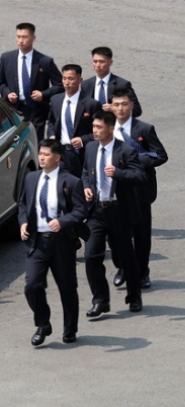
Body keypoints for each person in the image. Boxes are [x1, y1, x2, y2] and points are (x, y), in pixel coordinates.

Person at [18, 138, 88, 345]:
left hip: (61, 243)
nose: (41, 158)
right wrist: (23, 223)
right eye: (40, 153)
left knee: (67, 287)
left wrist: (63, 222)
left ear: (57, 158)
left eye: (46, 155)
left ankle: (70, 329)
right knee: (32, 285)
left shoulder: (71, 182)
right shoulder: (31, 178)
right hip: (37, 242)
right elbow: (22, 205)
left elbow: (81, 210)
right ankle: (43, 324)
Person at [82, 111, 147, 317]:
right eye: (93, 127)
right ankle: (100, 300)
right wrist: (86, 187)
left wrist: (118, 173)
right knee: (91, 256)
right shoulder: (91, 148)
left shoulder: (126, 151)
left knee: (126, 256)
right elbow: (86, 171)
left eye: (98, 127)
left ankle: (134, 297)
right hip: (97, 211)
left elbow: (140, 176)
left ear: (110, 129)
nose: (94, 131)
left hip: (120, 211)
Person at [109, 89, 168, 289]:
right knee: (116, 234)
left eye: (124, 104)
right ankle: (123, 266)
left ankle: (142, 272)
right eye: (116, 104)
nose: (120, 108)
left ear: (131, 106)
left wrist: (134, 160)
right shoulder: (105, 129)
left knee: (141, 234)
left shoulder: (144, 129)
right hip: (114, 189)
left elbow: (160, 155)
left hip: (140, 189)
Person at [0, 22, 63, 142]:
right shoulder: (6, 58)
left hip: (36, 110)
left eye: (24, 37)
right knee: (16, 141)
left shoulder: (44, 61)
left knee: (35, 141)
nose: (20, 40)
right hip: (14, 109)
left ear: (33, 38)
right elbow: (1, 83)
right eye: (18, 36)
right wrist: (7, 94)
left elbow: (60, 85)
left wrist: (43, 94)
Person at [47, 64, 102, 177]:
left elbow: (101, 131)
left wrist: (83, 140)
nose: (67, 82)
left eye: (71, 79)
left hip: (82, 154)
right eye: (64, 78)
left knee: (82, 184)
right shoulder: (56, 100)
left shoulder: (91, 104)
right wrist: (52, 135)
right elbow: (51, 121)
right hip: (61, 153)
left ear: (80, 80)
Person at [81, 47, 142, 118]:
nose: (98, 65)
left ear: (110, 62)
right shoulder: (85, 85)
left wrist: (115, 109)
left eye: (102, 62)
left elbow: (136, 110)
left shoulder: (122, 84)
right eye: (95, 61)